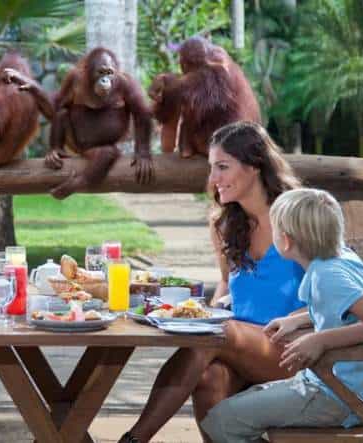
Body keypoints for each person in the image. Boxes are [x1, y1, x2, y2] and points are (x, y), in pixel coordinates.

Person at [122, 121, 305, 443]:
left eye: (223, 167)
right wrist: (209, 308)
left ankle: (134, 440)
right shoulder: (225, 224)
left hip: (295, 349)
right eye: (211, 168)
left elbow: (336, 288)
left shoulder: (297, 216)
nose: (213, 179)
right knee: (208, 377)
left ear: (254, 165)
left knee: (214, 332)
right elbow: (225, 282)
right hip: (240, 346)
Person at [201, 188, 363, 442]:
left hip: (337, 396)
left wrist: (319, 340)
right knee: (243, 403)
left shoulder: (327, 276)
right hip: (338, 388)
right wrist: (296, 320)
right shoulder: (340, 260)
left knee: (222, 421)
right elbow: (343, 309)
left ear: (285, 241)